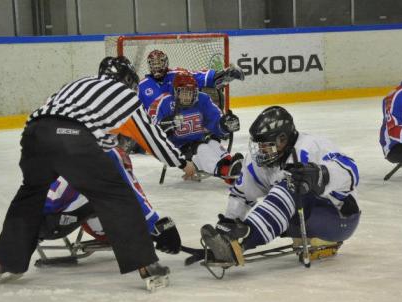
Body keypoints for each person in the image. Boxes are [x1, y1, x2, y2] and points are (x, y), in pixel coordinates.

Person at [0, 56, 195, 290]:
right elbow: (153, 139)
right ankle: (146, 265)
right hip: (73, 138)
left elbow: (59, 118)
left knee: (29, 196)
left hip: (34, 134)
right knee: (116, 196)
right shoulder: (123, 95)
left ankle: (4, 262)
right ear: (127, 80)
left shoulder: (78, 84)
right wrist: (181, 161)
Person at [199, 106, 361, 267]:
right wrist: (230, 222)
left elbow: (352, 172)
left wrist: (321, 174)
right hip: (301, 219)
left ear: (283, 139)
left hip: (339, 219)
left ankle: (243, 244)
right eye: (259, 146)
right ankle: (232, 243)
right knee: (286, 188)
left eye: (266, 146)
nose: (261, 151)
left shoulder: (313, 146)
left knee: (290, 184)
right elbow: (241, 193)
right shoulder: (262, 160)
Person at [40, 137, 181, 258]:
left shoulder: (64, 149)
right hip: (53, 222)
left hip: (42, 216)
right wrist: (153, 226)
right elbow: (130, 192)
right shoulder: (111, 154)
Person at [149, 71, 244, 184]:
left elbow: (215, 121)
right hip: (178, 148)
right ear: (175, 91)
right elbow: (151, 128)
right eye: (183, 92)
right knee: (202, 149)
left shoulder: (203, 99)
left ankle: (230, 163)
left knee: (212, 143)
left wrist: (224, 125)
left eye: (190, 93)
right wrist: (167, 124)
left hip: (201, 140)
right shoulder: (163, 102)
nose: (187, 97)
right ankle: (226, 172)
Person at [138, 49, 245, 110]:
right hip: (156, 129)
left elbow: (201, 77)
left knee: (209, 92)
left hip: (182, 123)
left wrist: (225, 74)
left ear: (165, 63)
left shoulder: (178, 74)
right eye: (153, 64)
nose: (156, 67)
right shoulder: (141, 86)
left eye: (159, 63)